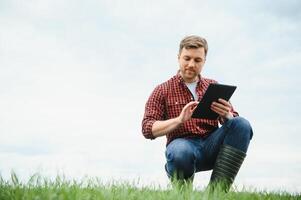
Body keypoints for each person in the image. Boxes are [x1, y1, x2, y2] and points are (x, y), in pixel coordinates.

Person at [141, 35, 253, 191]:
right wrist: (179, 120)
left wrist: (226, 115)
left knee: (241, 123)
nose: (191, 64)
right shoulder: (162, 90)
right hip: (182, 147)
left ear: (204, 61)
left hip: (212, 145)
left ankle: (217, 192)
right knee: (180, 151)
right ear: (178, 57)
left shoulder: (213, 85)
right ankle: (183, 192)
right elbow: (148, 128)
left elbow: (234, 122)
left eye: (197, 60)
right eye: (187, 58)